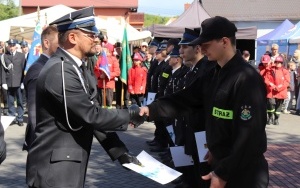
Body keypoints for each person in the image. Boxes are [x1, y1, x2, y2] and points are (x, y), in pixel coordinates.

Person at [139, 16, 269, 187]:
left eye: (206, 44)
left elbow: (250, 136)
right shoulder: (214, 74)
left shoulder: (247, 77)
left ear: (224, 42)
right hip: (221, 163)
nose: (201, 48)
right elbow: (185, 99)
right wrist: (151, 110)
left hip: (242, 173)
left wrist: (223, 172)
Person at [26, 7, 144, 188]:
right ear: (72, 38)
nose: (96, 39)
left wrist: (119, 151)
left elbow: (92, 116)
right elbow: (91, 115)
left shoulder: (77, 68)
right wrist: (132, 114)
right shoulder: (60, 70)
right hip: (55, 171)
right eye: (91, 34)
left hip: (67, 166)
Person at [23, 26, 59, 151]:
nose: (63, 47)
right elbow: (34, 112)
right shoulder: (38, 70)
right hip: (42, 144)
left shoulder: (52, 66)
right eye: (59, 42)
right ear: (46, 43)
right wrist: (41, 145)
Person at [3, 39, 26, 126]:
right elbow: (3, 70)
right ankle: (11, 116)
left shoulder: (21, 56)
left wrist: (24, 81)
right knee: (10, 101)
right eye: (10, 46)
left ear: (16, 46)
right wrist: (3, 82)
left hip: (19, 82)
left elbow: (24, 69)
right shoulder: (5, 56)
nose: (11, 47)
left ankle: (20, 118)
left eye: (13, 45)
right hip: (9, 82)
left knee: (20, 101)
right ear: (8, 46)